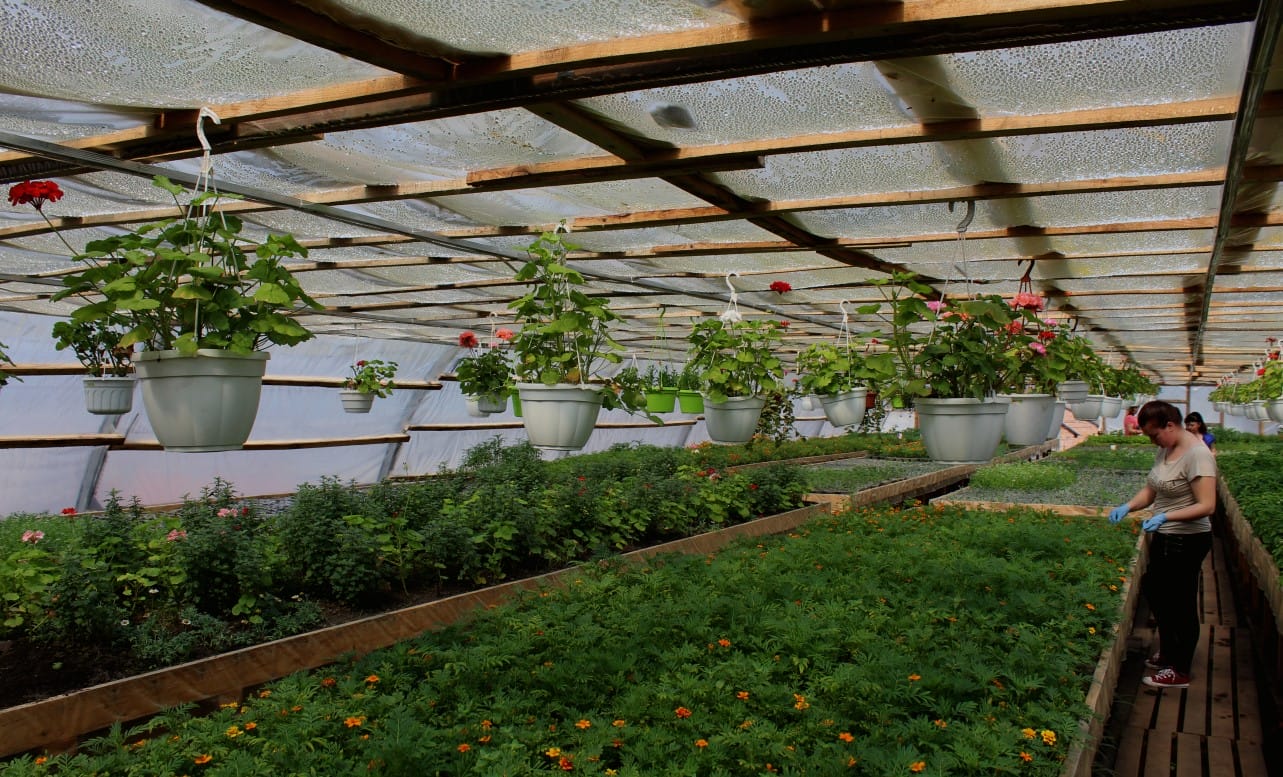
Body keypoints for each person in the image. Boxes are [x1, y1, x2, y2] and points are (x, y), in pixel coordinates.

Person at [1108, 400, 1216, 689]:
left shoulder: (1198, 455)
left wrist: (1167, 515)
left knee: (1180, 602)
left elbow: (1207, 505)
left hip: (1187, 539)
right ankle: (1169, 652)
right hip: (1166, 535)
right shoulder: (1166, 448)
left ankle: (1180, 669)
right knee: (1157, 593)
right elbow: (1152, 489)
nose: (1152, 440)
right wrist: (1128, 506)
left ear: (1170, 425)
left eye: (1154, 434)